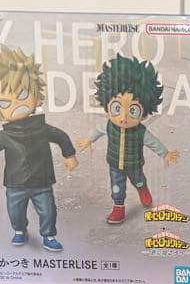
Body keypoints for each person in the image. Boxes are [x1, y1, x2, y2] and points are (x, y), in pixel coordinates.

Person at [0, 45, 77, 251]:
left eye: (22, 94)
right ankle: (19, 230)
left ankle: (49, 235)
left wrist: (69, 155)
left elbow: (61, 136)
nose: (16, 104)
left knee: (48, 211)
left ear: (37, 97)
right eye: (4, 103)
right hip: (15, 183)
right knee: (15, 212)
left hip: (42, 181)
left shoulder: (42, 128)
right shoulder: (5, 135)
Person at [75, 54, 178, 224]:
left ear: (144, 114)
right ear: (106, 107)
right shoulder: (109, 126)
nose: (123, 117)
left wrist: (164, 153)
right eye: (117, 108)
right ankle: (118, 206)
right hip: (114, 163)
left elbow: (153, 142)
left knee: (138, 180)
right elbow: (97, 131)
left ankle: (142, 189)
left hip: (134, 164)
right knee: (116, 185)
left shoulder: (140, 132)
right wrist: (88, 140)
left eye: (133, 110)